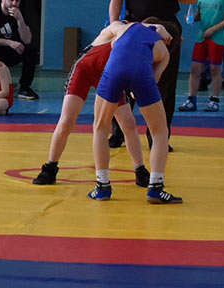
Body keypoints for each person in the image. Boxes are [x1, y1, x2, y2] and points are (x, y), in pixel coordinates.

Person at [31, 24, 151, 187]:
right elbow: (133, 28)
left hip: (110, 75)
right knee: (66, 121)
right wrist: (157, 28)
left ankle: (140, 170)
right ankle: (50, 168)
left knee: (128, 123)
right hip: (84, 70)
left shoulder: (140, 48)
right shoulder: (118, 27)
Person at [107, 0, 198, 125]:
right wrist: (114, 26)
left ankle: (159, 135)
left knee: (165, 85)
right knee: (125, 79)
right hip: (133, 27)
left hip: (168, 26)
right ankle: (118, 132)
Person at [87, 20, 182, 203]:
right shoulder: (164, 52)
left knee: (100, 127)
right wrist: (135, 87)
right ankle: (156, 188)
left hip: (114, 68)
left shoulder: (127, 27)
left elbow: (113, 37)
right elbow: (153, 80)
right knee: (159, 131)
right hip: (141, 73)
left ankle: (102, 186)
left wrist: (156, 27)